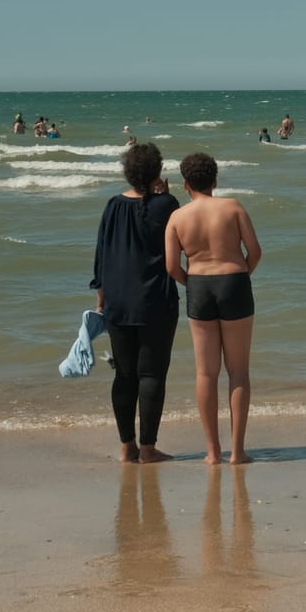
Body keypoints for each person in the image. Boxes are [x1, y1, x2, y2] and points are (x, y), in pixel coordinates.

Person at [165, 152, 263, 465]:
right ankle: (237, 451)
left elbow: (171, 267)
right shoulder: (232, 206)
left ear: (185, 184)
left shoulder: (177, 217)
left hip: (199, 285)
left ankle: (212, 452)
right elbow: (255, 251)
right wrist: (239, 275)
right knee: (238, 372)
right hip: (234, 281)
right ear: (215, 180)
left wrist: (192, 284)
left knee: (206, 373)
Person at [92, 143, 180, 464]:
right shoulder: (167, 204)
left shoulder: (113, 206)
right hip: (157, 301)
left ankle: (126, 447)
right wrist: (164, 195)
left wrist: (101, 300)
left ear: (128, 172)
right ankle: (148, 449)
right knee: (152, 374)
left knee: (124, 375)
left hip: (118, 301)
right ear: (156, 171)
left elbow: (101, 254)